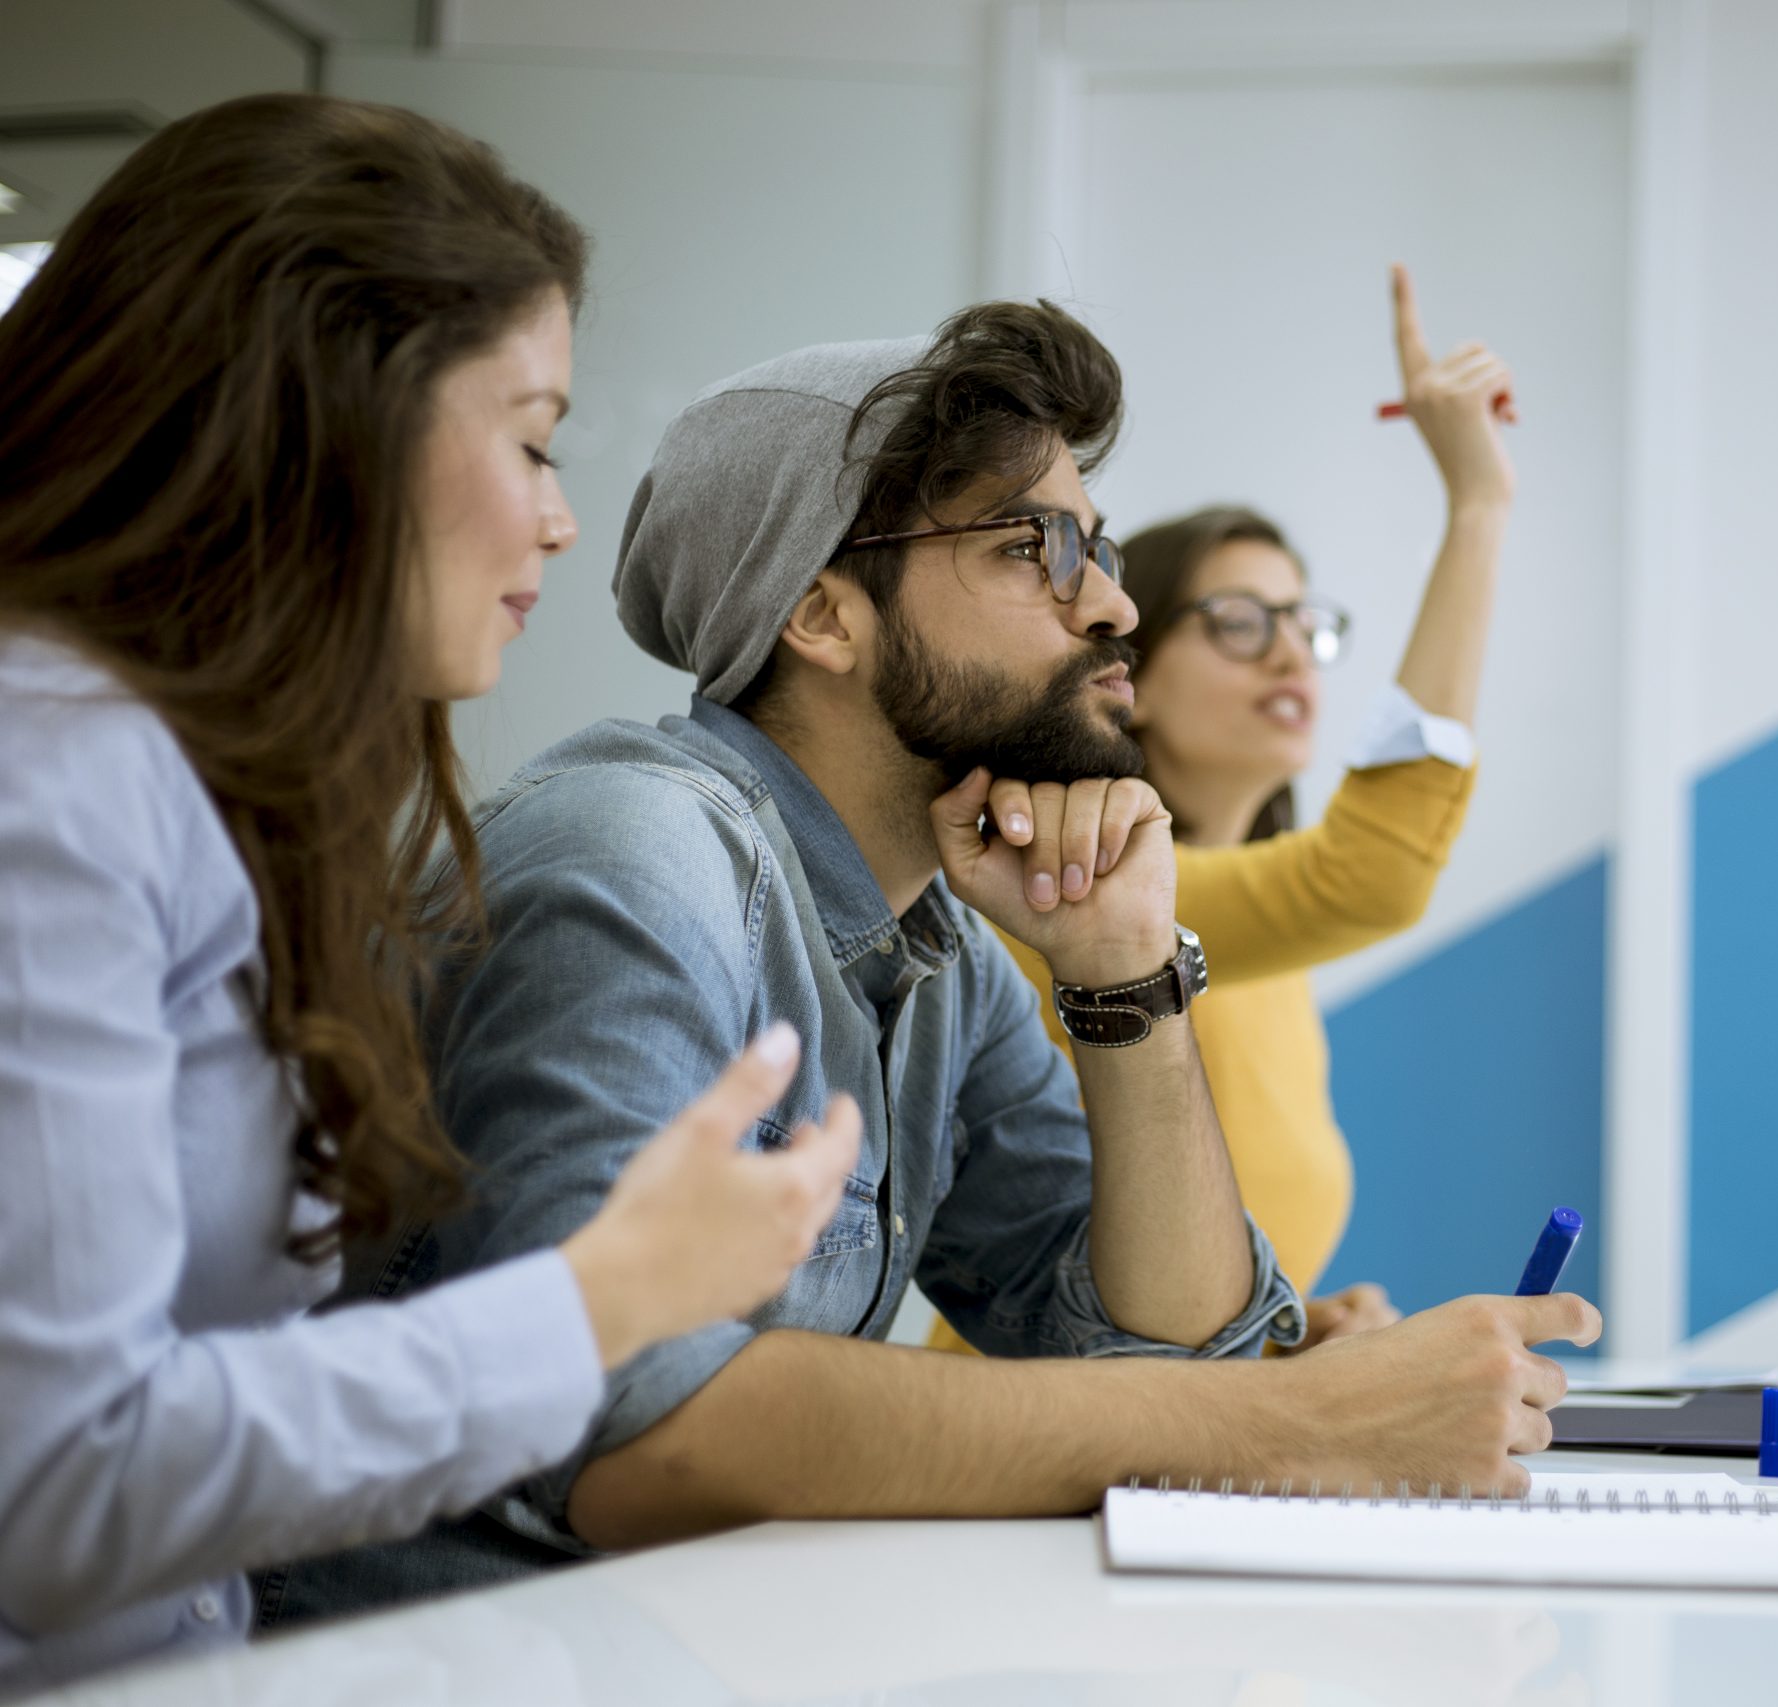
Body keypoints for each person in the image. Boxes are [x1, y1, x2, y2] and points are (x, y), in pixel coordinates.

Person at [269, 299, 1599, 1624]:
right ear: (822, 615)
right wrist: (1295, 1418)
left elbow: (1178, 1344)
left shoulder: (948, 948)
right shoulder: (641, 852)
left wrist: (1123, 968)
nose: (1114, 604)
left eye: (1100, 546)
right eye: (1032, 545)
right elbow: (630, 1436)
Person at [0, 94, 862, 1695]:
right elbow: (59, 1488)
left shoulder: (201, 784)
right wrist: (602, 1297)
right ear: (330, 411)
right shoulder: (53, 780)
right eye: (531, 435)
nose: (558, 512)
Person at [926, 265, 1513, 1353]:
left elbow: (1171, 1288)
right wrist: (1477, 504)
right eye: (1238, 619)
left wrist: (1288, 1334)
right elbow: (1373, 870)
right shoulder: (1087, 883)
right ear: (1125, 661)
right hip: (1038, 1462)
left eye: (1302, 620)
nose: (1288, 648)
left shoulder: (1262, 938)